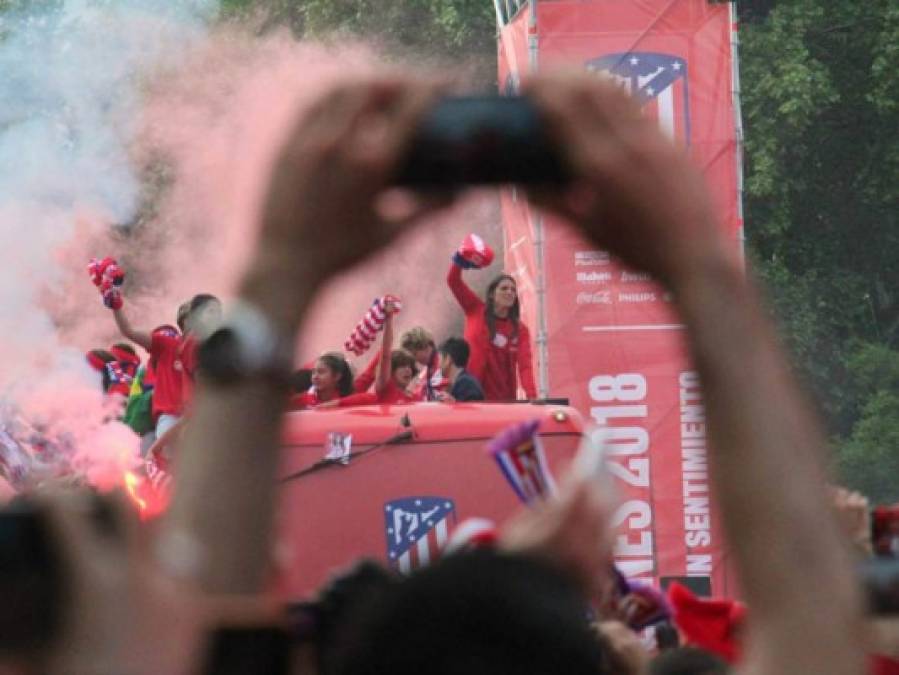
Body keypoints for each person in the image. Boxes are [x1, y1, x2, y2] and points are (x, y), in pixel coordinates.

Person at [165, 73, 865, 675]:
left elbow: (199, 626)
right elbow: (812, 611)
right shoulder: (474, 308)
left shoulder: (511, 327)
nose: (501, 298)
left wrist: (280, 268)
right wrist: (701, 270)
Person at [110, 293, 221, 440]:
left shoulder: (211, 349)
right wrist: (115, 305)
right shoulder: (167, 344)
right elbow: (129, 331)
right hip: (172, 418)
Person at [446, 262, 537, 401]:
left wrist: (532, 395)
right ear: (492, 295)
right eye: (504, 288)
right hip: (470, 395)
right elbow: (453, 281)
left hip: (504, 400)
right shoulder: (475, 310)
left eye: (513, 290)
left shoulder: (520, 330)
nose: (510, 292)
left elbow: (525, 366)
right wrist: (459, 260)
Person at [373, 299, 417, 405]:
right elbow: (386, 356)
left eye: (409, 366)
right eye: (402, 366)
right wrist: (389, 319)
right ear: (391, 370)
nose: (408, 370)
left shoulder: (416, 397)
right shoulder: (385, 388)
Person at [401, 326, 446, 401]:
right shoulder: (426, 370)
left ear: (425, 347)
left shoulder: (443, 366)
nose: (415, 360)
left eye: (414, 354)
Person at [436, 337, 484, 402]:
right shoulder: (462, 382)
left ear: (448, 359)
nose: (437, 364)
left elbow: (473, 410)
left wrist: (454, 403)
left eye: (439, 359)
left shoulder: (466, 383)